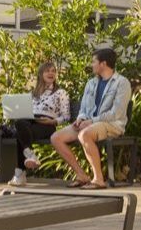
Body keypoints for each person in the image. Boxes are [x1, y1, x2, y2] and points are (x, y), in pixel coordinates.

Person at [50, 48, 131, 189]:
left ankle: (98, 179)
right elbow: (84, 108)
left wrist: (91, 122)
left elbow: (116, 113)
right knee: (56, 138)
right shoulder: (91, 83)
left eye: (94, 61)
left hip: (112, 124)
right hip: (89, 123)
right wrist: (81, 119)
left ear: (103, 64)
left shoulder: (122, 83)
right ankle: (81, 175)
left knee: (84, 134)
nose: (92, 64)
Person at [7, 62, 71, 187]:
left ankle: (20, 174)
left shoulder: (61, 92)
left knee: (19, 134)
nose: (51, 73)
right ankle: (29, 154)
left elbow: (66, 116)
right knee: (20, 122)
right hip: (29, 123)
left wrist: (53, 121)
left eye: (53, 71)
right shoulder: (33, 94)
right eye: (48, 71)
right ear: (41, 74)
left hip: (48, 125)